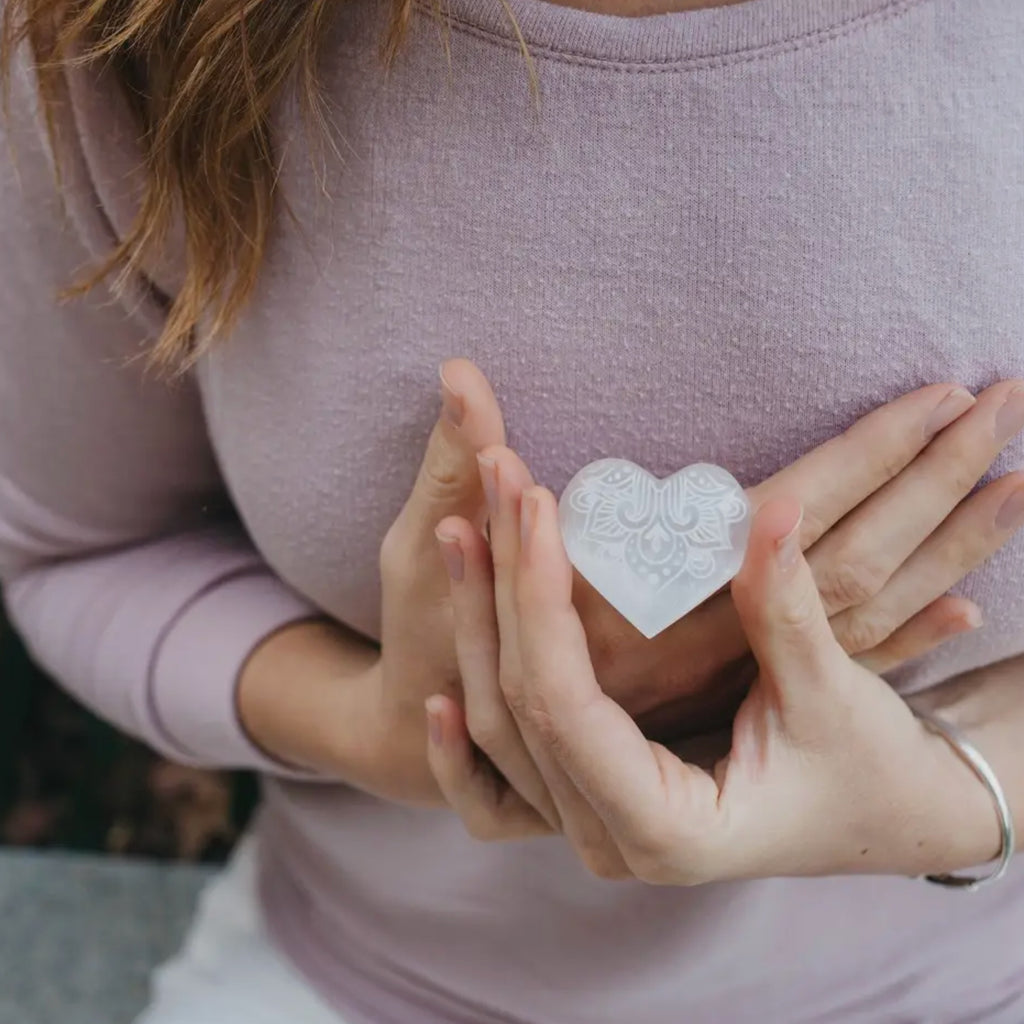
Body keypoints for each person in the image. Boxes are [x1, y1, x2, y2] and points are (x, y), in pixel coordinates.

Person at [1, 0, 1023, 1020]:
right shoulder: (130, 34)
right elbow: (79, 552)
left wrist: (956, 796)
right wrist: (383, 725)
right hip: (356, 979)